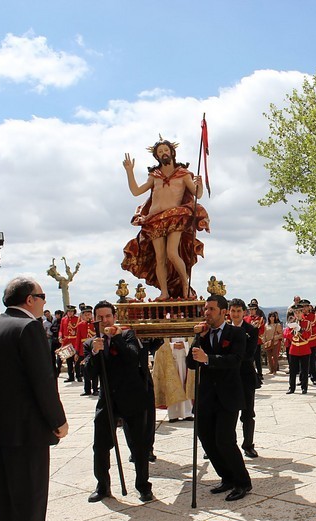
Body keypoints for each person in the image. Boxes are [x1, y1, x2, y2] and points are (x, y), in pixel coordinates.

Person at [0, 277, 68, 521]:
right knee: (30, 502)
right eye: (41, 297)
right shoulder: (28, 327)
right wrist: (58, 421)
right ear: (30, 299)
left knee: (6, 500)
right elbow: (42, 380)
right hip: (28, 431)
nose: (44, 302)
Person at [121, 137, 209, 300]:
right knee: (160, 257)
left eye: (165, 150)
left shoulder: (183, 174)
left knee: (172, 253)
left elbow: (197, 195)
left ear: (172, 152)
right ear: (156, 156)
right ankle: (164, 292)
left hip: (174, 217)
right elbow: (136, 191)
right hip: (154, 220)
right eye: (160, 152)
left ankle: (185, 285)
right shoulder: (154, 175)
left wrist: (200, 184)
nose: (163, 153)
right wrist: (129, 171)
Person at [84, 300, 153, 503]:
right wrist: (96, 352)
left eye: (107, 316)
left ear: (115, 317)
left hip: (132, 397)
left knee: (139, 445)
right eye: (100, 317)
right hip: (107, 399)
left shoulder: (128, 335)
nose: (104, 321)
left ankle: (143, 485)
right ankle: (102, 486)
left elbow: (133, 359)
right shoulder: (91, 343)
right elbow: (89, 374)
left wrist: (116, 339)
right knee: (101, 446)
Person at [188, 295, 251, 501]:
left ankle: (242, 482)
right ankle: (226, 477)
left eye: (211, 309)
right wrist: (196, 338)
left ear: (223, 312)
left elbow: (235, 360)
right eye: (205, 309)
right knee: (206, 437)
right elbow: (191, 363)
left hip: (228, 395)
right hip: (206, 396)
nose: (207, 313)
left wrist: (209, 359)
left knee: (225, 440)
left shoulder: (236, 333)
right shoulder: (202, 335)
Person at [229, 299, 259, 459]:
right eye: (233, 311)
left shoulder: (251, 330)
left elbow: (249, 353)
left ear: (244, 312)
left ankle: (248, 445)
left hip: (245, 376)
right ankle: (226, 444)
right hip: (228, 377)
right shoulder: (224, 329)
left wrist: (231, 358)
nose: (235, 314)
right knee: (227, 414)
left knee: (248, 413)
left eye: (239, 311)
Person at [286, 300, 315, 395]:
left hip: (304, 349)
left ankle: (304, 387)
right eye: (295, 312)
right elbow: (286, 334)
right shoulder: (291, 322)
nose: (297, 314)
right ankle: (291, 387)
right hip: (293, 349)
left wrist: (300, 330)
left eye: (299, 312)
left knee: (304, 370)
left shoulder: (307, 323)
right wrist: (292, 331)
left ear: (302, 313)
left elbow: (308, 335)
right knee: (292, 370)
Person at [76, 306, 99, 396]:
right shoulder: (80, 325)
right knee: (85, 370)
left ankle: (95, 388)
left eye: (89, 314)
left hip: (93, 348)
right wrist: (77, 352)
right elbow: (78, 339)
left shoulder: (95, 324)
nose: (87, 316)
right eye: (85, 315)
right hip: (83, 350)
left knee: (95, 369)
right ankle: (87, 389)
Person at [59, 305, 80, 382]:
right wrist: (60, 337)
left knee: (76, 360)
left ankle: (78, 375)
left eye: (71, 311)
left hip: (75, 341)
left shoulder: (77, 319)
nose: (70, 313)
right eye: (69, 311)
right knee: (68, 361)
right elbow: (61, 330)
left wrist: (76, 332)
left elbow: (80, 330)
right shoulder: (63, 319)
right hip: (66, 341)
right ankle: (70, 376)